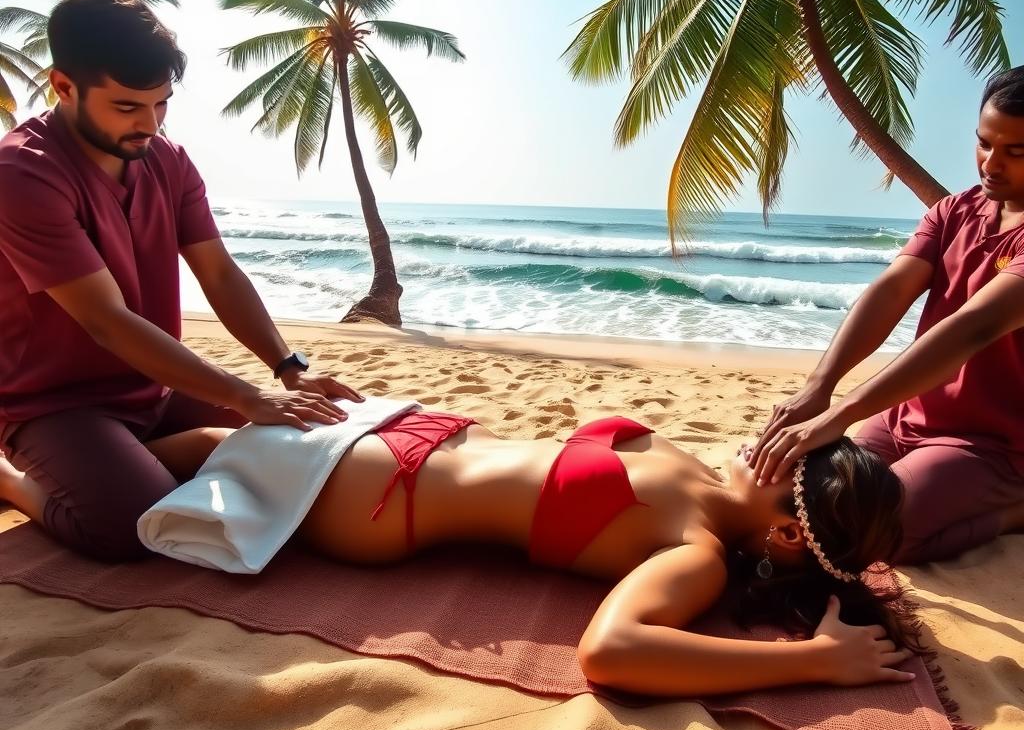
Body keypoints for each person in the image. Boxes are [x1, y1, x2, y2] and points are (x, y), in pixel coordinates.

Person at [0, 0, 362, 561]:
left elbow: (218, 273)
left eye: (161, 103)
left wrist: (286, 368)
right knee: (132, 524)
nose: (149, 124)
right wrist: (245, 397)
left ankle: (129, 453)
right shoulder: (23, 174)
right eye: (126, 107)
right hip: (55, 405)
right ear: (63, 87)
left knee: (315, 438)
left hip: (154, 388)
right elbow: (106, 322)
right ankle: (9, 477)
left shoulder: (167, 159)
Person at [289, 408, 915, 697]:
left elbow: (611, 652)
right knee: (203, 436)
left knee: (197, 449)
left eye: (794, 461)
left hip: (378, 491)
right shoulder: (701, 474)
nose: (777, 443)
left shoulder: (695, 557)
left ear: (788, 534)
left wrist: (813, 661)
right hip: (411, 429)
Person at [750, 66, 1024, 563]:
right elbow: (890, 291)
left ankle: (1015, 511)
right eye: (984, 143)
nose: (991, 164)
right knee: (812, 495)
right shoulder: (954, 212)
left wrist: (843, 413)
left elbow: (972, 330)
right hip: (908, 416)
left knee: (883, 532)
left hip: (994, 444)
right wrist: (820, 386)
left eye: (1016, 152)